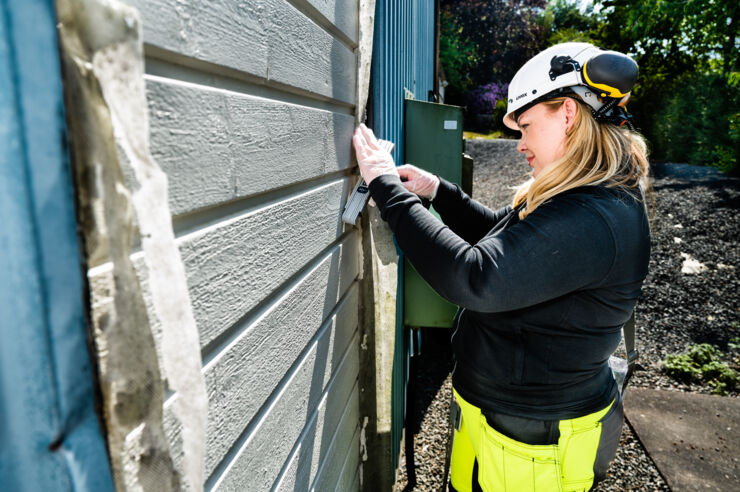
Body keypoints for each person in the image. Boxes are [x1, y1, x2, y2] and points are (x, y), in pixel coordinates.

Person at [352, 42, 651, 492]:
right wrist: (438, 192)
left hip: (536, 438)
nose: (521, 145)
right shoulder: (584, 194)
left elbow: (476, 277)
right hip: (504, 420)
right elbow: (508, 245)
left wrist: (385, 186)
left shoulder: (595, 216)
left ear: (567, 114)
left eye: (526, 126)